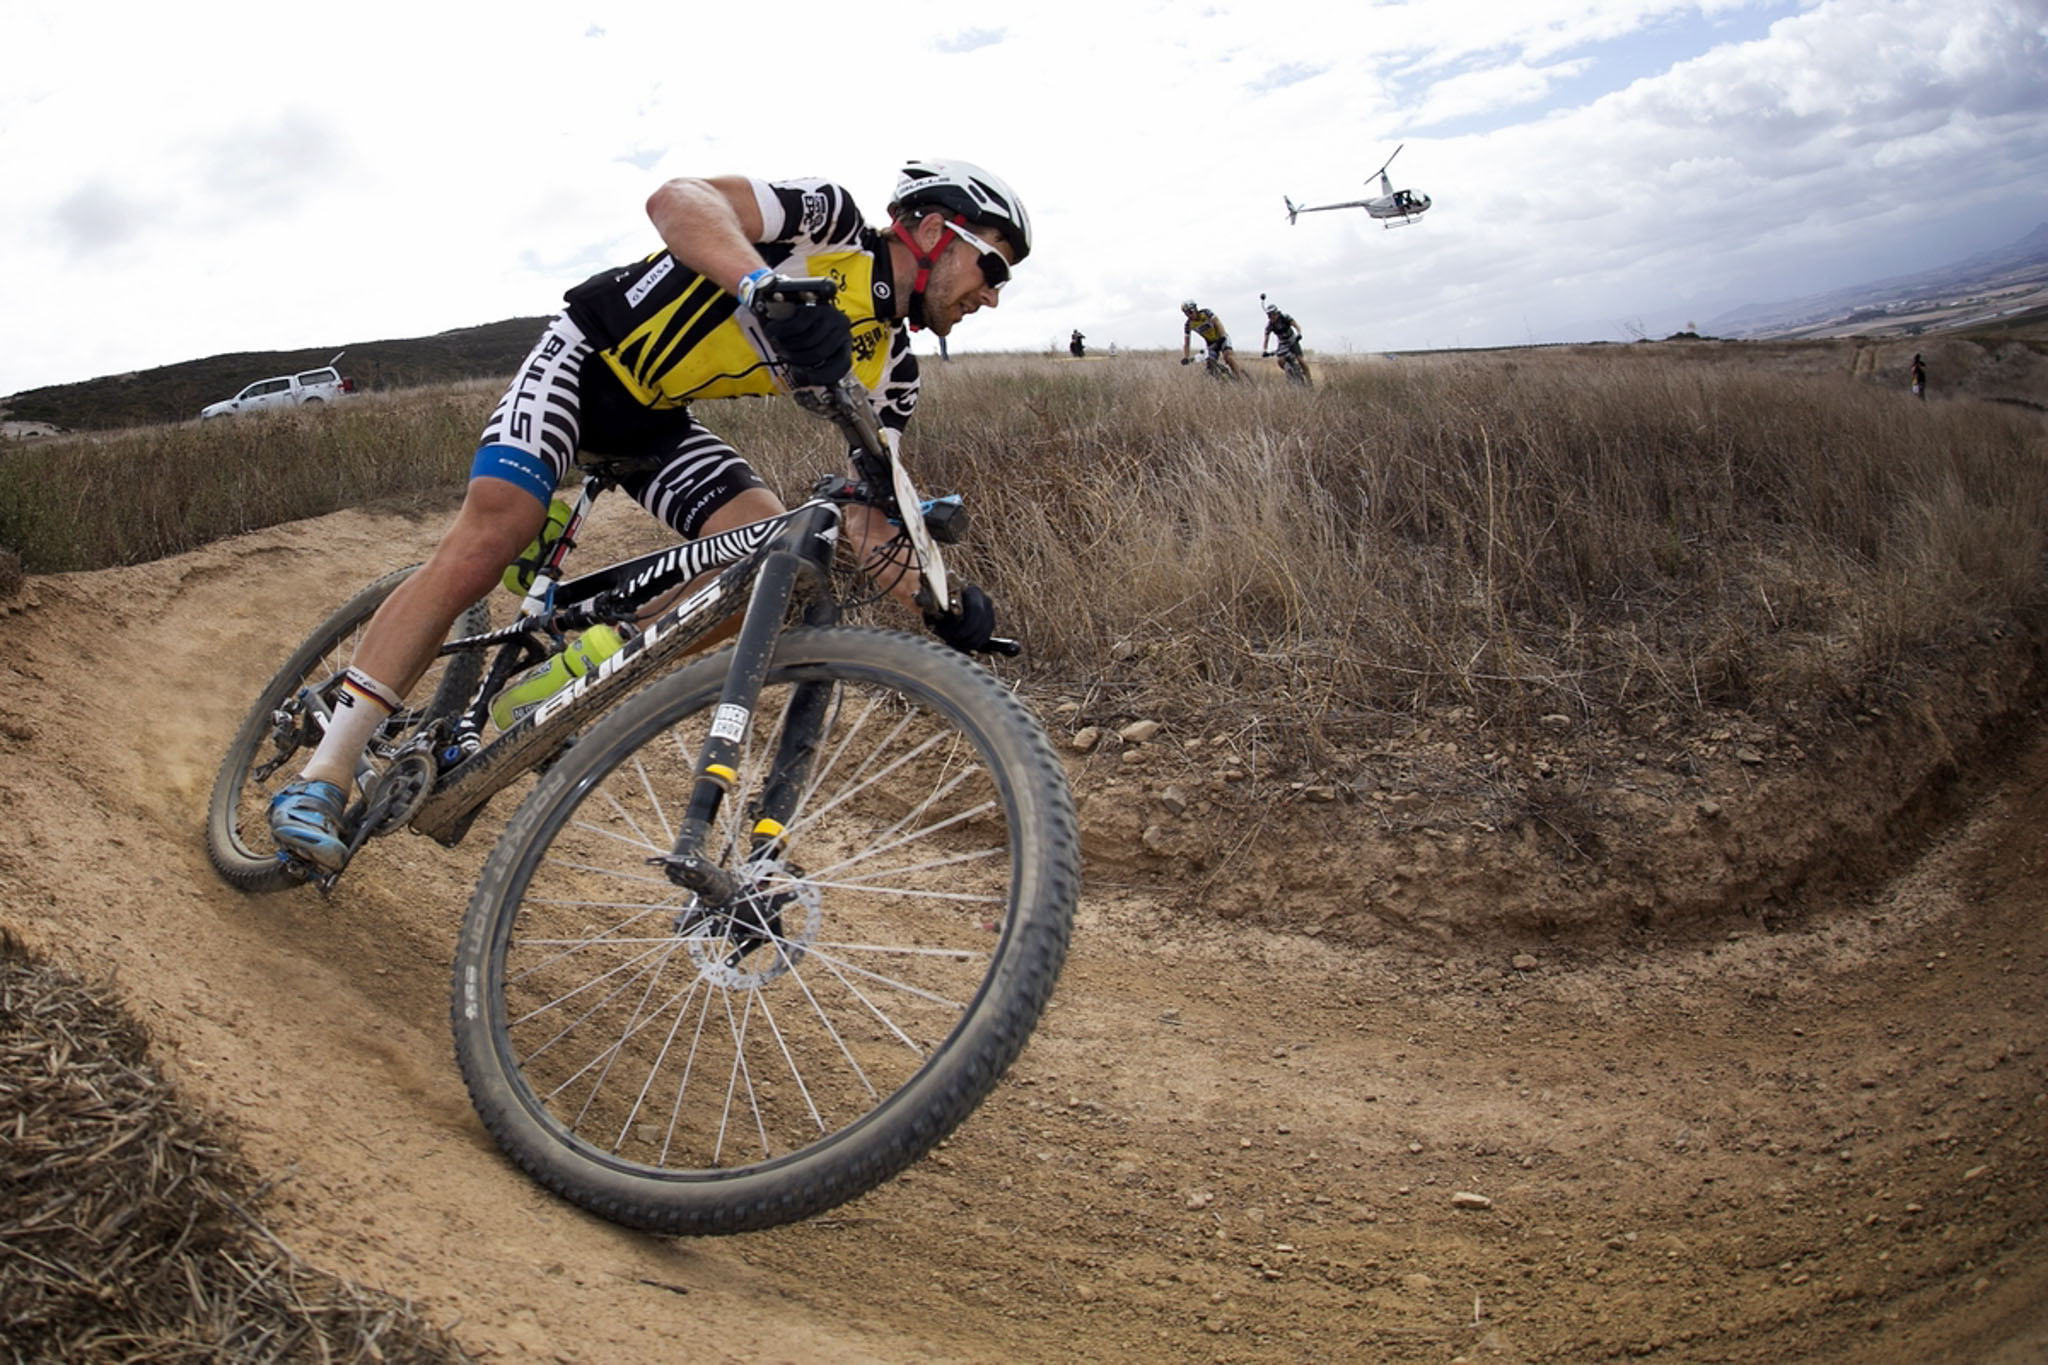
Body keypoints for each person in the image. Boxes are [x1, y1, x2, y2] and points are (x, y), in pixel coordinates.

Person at [267, 159, 1031, 873]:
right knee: (493, 536)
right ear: (933, 232)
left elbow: (872, 513)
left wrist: (944, 603)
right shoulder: (827, 222)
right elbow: (678, 202)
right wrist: (761, 283)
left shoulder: (894, 371)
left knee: (774, 558)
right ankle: (324, 774)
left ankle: (590, 659)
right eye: (991, 266)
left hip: (657, 420)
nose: (992, 294)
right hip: (586, 363)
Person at [1179, 300, 1241, 377]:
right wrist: (1186, 357)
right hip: (1211, 343)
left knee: (1228, 357)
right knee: (1211, 365)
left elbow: (1217, 322)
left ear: (1195, 309)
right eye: (1186, 314)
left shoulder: (1206, 313)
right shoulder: (1188, 325)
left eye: (1190, 312)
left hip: (1221, 338)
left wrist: (1222, 336)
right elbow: (1187, 343)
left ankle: (1240, 379)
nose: (1189, 315)